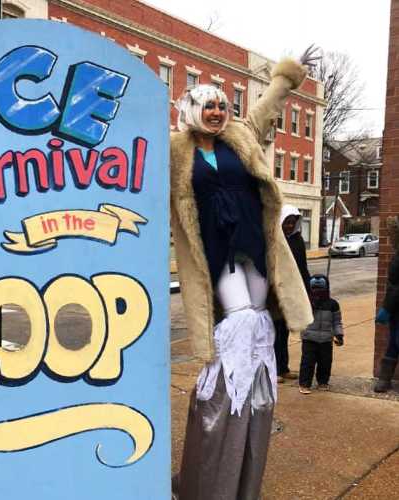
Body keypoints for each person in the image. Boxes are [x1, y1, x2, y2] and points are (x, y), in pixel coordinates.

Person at [170, 47, 317, 500]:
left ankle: (238, 449)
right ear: (191, 110)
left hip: (254, 246)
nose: (216, 112)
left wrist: (285, 80)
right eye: (208, 105)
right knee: (236, 332)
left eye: (221, 105)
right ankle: (214, 462)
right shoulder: (175, 150)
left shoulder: (241, 135)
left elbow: (265, 110)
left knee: (254, 328)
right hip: (213, 253)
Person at [275, 205, 311, 383]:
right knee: (274, 333)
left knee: (284, 332)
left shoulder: (298, 241)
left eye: (292, 223)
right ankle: (274, 370)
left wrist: (307, 291)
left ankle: (284, 368)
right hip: (275, 293)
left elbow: (303, 269)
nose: (289, 226)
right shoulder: (274, 240)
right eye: (286, 222)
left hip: (291, 293)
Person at [298, 274, 344, 394]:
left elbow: (337, 322)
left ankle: (323, 381)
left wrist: (339, 334)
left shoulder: (333, 304)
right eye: (314, 289)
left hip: (326, 339)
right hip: (309, 338)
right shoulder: (306, 301)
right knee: (307, 362)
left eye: (321, 289)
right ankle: (304, 383)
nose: (318, 291)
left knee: (325, 362)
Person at [374, 216, 399, 393]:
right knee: (393, 342)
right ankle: (384, 378)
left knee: (396, 341)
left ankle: (384, 379)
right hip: (396, 308)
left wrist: (386, 308)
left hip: (396, 306)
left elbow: (395, 286)